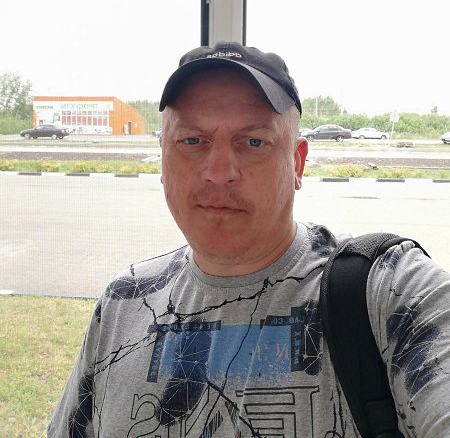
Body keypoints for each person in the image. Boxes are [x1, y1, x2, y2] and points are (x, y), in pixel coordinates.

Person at [48, 42, 450, 437]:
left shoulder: (390, 293)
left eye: (254, 142)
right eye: (192, 141)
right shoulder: (123, 304)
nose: (219, 171)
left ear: (297, 162)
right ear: (163, 156)